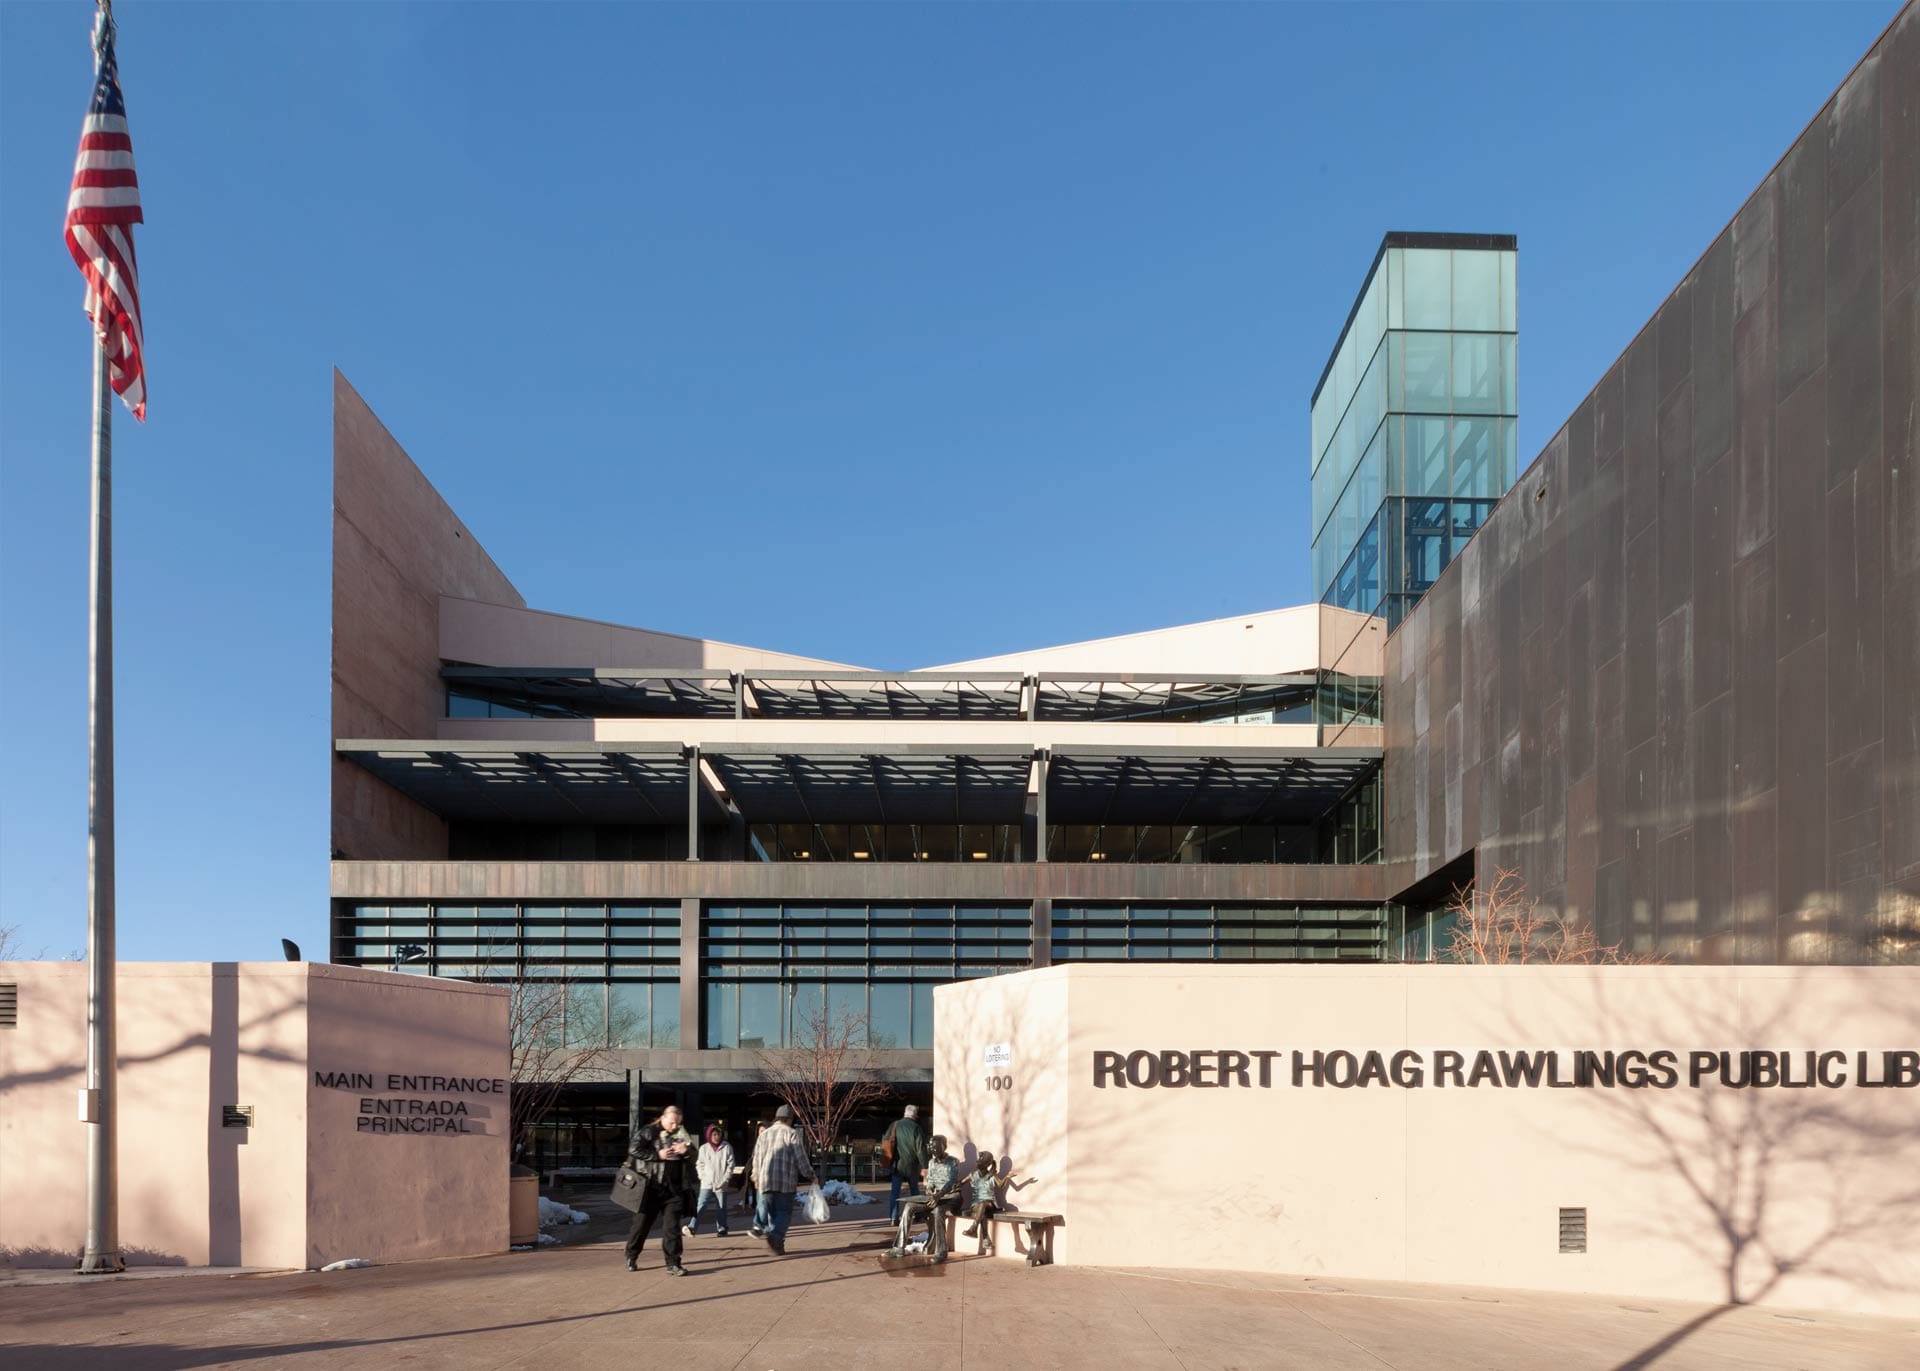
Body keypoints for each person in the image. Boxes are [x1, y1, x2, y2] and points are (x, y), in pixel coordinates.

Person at [624, 1104, 695, 1275]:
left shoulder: (681, 1134)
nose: (675, 1126)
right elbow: (633, 1149)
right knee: (641, 1225)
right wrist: (658, 1155)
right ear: (663, 1118)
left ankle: (673, 1263)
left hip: (674, 1188)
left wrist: (686, 1151)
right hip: (650, 1187)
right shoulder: (649, 1131)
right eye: (672, 1122)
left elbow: (694, 1154)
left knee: (672, 1228)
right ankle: (631, 1255)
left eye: (678, 1123)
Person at [749, 1104, 815, 1255]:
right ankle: (776, 1237)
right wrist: (810, 1174)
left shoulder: (764, 1135)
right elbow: (801, 1158)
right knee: (784, 1212)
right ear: (789, 1119)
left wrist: (756, 1177)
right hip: (786, 1182)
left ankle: (777, 1247)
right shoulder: (791, 1133)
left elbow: (757, 1158)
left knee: (773, 1213)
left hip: (766, 1181)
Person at [886, 1133, 961, 1262]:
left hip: (951, 1197)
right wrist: (929, 1190)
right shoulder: (931, 1162)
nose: (934, 1150)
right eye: (932, 1148)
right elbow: (930, 1181)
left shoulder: (952, 1162)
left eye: (937, 1147)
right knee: (909, 1206)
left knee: (938, 1211)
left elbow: (951, 1182)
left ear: (945, 1147)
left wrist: (939, 1195)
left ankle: (941, 1251)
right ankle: (899, 1247)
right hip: (934, 1197)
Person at [685, 1124, 734, 1237]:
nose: (717, 1137)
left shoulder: (727, 1147)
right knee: (701, 1205)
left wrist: (725, 1179)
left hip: (721, 1183)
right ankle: (692, 1227)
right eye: (714, 1134)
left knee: (721, 1207)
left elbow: (730, 1165)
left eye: (718, 1134)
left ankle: (722, 1228)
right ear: (709, 1135)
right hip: (707, 1183)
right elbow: (699, 1164)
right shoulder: (704, 1148)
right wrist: (702, 1176)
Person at [959, 1151, 1018, 1244]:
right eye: (978, 1159)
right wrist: (956, 1185)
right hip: (976, 1204)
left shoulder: (992, 1176)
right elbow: (961, 1183)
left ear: (987, 1164)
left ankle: (974, 1228)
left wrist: (1007, 1177)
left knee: (983, 1204)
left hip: (990, 1204)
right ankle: (985, 1238)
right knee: (981, 1211)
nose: (977, 1161)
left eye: (980, 1160)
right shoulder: (973, 1174)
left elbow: (1001, 1185)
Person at [883, 1103, 928, 1222]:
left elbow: (885, 1142)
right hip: (912, 1165)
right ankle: (917, 1215)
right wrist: (924, 1166)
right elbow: (920, 1148)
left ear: (905, 1113)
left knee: (895, 1192)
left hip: (897, 1165)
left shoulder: (894, 1125)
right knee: (914, 1191)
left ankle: (893, 1217)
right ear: (915, 1115)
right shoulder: (916, 1128)